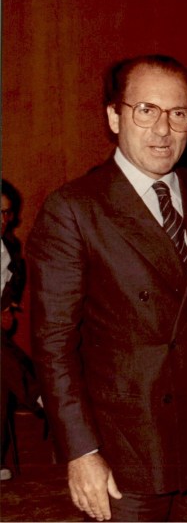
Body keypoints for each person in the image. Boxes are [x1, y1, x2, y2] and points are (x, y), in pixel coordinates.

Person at [28, 55, 187, 522]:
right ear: (114, 116)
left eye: (178, 113)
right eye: (146, 111)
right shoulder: (74, 208)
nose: (163, 130)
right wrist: (81, 452)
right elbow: (54, 346)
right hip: (125, 451)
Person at [1, 180, 42, 482]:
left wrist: (5, 310)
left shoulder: (12, 250)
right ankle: (40, 394)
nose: (3, 220)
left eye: (6, 213)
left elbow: (10, 294)